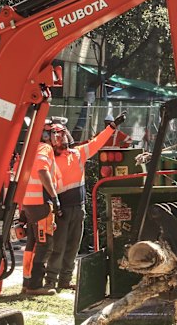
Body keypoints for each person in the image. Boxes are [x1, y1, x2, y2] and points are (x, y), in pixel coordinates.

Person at [44, 111, 126, 290]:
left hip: (78, 207)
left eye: (61, 134)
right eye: (56, 135)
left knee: (73, 246)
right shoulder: (49, 158)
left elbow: (96, 143)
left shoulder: (78, 154)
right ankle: (50, 280)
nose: (60, 138)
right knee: (57, 246)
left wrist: (111, 127)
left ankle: (64, 280)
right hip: (61, 208)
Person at [20, 120, 62, 296]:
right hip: (40, 203)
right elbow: (41, 170)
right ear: (45, 135)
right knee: (45, 245)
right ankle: (35, 286)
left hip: (28, 203)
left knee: (32, 244)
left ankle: (26, 282)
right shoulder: (44, 148)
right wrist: (54, 197)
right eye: (54, 133)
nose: (57, 137)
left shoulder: (29, 149)